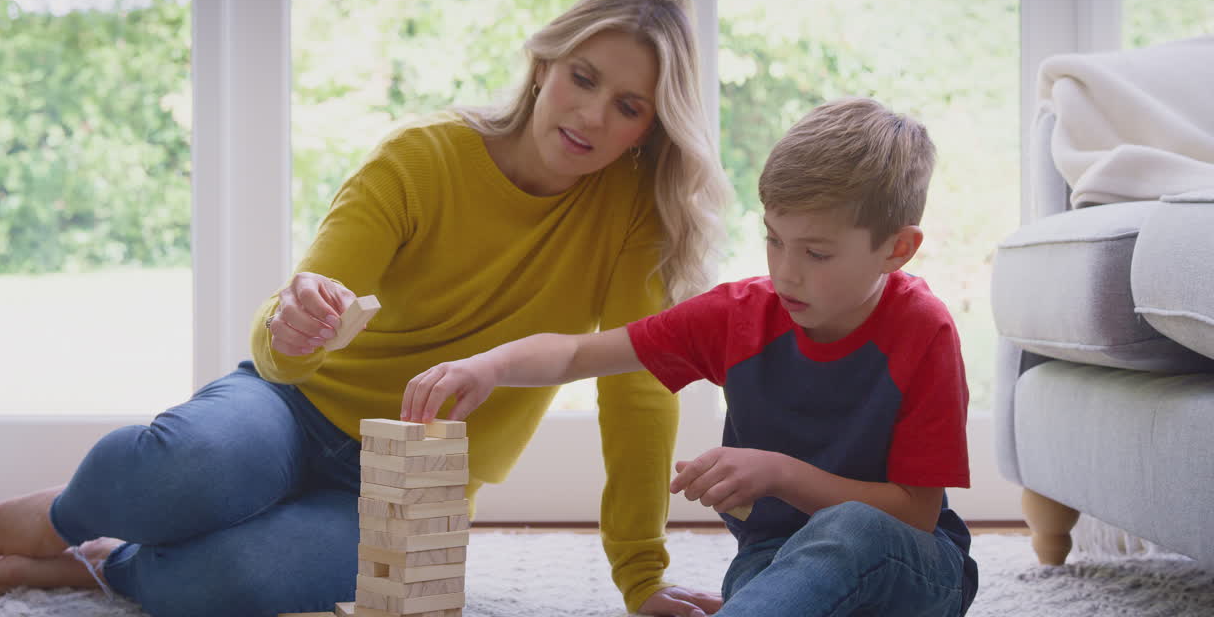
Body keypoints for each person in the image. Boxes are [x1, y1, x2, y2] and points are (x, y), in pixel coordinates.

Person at [0, 0, 730, 617]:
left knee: (239, 579)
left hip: (415, 478)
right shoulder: (422, 156)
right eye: (583, 77)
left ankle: (109, 563)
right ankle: (69, 515)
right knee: (184, 470)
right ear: (543, 65)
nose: (592, 115)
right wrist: (296, 326)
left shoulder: (635, 216)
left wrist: (642, 577)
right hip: (289, 410)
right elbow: (283, 333)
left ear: (651, 130)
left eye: (630, 106)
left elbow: (637, 390)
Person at [402, 97, 980, 617]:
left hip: (917, 572)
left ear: (897, 250)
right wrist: (491, 365)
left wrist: (779, 473)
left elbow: (914, 515)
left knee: (852, 529)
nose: (786, 272)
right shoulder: (741, 315)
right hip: (777, 557)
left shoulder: (922, 331)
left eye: (817, 253)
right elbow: (579, 353)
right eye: (773, 239)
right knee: (768, 580)